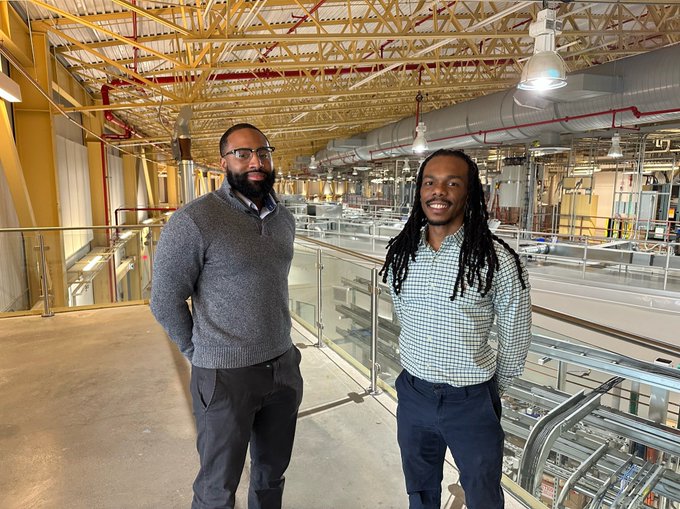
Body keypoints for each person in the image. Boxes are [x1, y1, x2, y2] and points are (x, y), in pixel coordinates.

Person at [150, 123, 303, 509]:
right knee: (217, 487)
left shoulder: (283, 219)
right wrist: (199, 351)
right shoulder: (195, 221)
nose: (256, 161)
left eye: (263, 153)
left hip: (283, 367)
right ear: (223, 163)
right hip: (224, 376)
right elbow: (165, 299)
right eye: (243, 153)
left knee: (272, 476)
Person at [380, 149, 532, 509]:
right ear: (419, 191)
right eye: (430, 182)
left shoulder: (498, 261)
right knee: (420, 490)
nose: (439, 191)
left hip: (471, 402)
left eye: (452, 183)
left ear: (468, 193)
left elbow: (516, 337)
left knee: (482, 495)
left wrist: (489, 392)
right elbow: (402, 315)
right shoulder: (403, 254)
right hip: (414, 395)